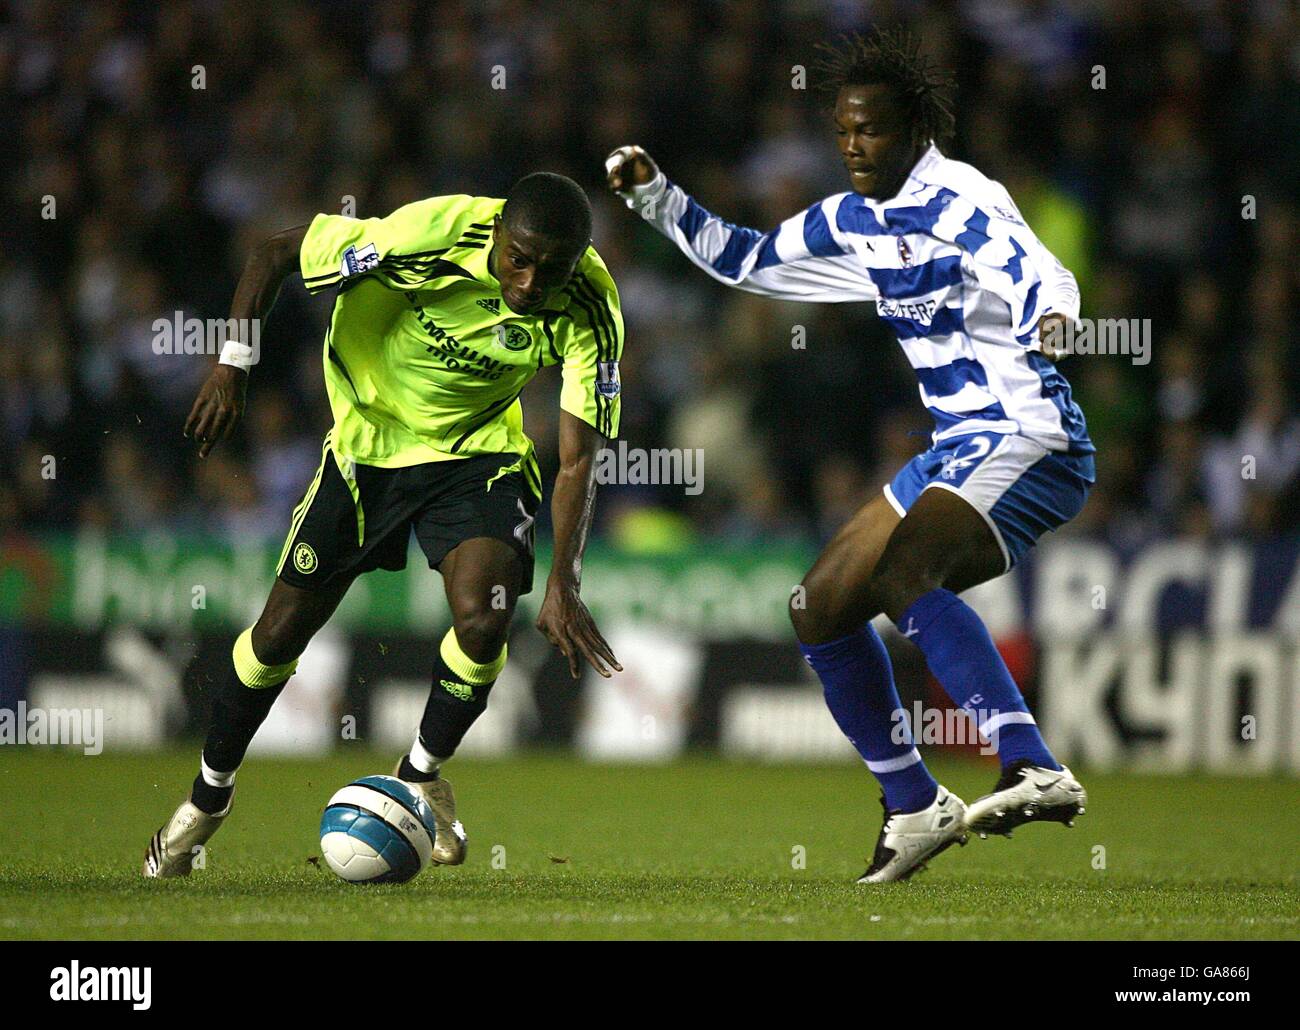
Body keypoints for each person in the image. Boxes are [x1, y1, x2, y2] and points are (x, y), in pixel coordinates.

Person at [607, 29, 1093, 883]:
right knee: (818, 604)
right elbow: (749, 261)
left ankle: (1030, 761)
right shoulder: (855, 221)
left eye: (868, 129)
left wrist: (1052, 315)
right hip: (956, 450)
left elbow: (1038, 271)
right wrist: (657, 197)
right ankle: (912, 803)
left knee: (907, 575)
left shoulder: (963, 199)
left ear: (914, 130)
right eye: (841, 132)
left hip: (1026, 436)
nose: (852, 145)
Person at [144, 172, 625, 877]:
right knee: (277, 637)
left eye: (550, 269)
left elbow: (579, 458)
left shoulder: (591, 304)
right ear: (497, 235)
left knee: (486, 620)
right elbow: (273, 253)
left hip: (477, 452)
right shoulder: (426, 236)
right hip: (370, 442)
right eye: (518, 259)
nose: (528, 283)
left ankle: (421, 770)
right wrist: (233, 366)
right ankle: (209, 797)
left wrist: (565, 579)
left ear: (579, 259)